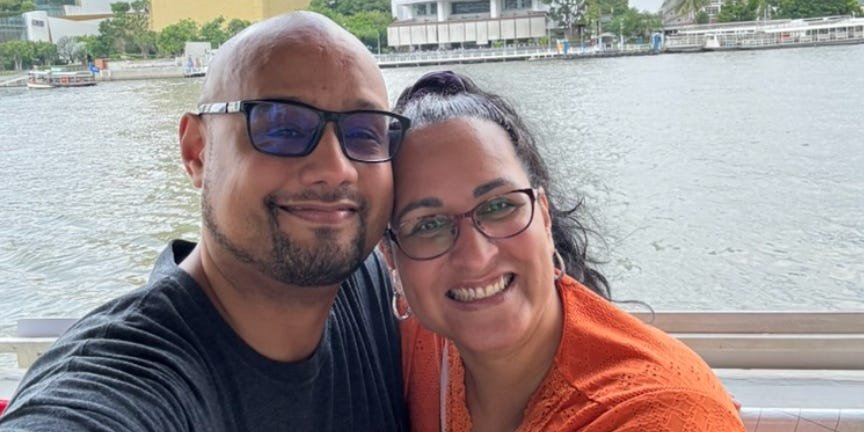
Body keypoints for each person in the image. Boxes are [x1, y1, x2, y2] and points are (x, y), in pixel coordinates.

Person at [0, 12, 409, 431]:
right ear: (197, 151)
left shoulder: (372, 285)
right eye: (282, 127)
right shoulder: (122, 385)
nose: (336, 169)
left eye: (365, 133)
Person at [385, 71, 745, 431]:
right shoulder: (423, 342)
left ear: (543, 216)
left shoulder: (658, 415)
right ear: (391, 257)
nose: (475, 257)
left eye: (499, 207)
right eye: (428, 225)